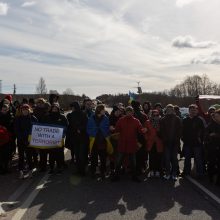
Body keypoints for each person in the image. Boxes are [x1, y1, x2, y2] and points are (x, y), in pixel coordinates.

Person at [111, 106, 147, 182]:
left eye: (130, 112)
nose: (129, 113)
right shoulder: (121, 120)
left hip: (132, 143)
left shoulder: (136, 121)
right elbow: (116, 130)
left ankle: (134, 176)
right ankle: (116, 175)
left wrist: (144, 130)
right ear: (125, 112)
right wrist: (113, 129)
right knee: (119, 161)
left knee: (133, 162)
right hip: (122, 143)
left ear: (132, 112)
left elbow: (140, 130)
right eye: (127, 111)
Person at [43, 103, 68, 174]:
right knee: (51, 154)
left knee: (59, 153)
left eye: (56, 108)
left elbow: (66, 126)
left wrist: (63, 133)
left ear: (58, 109)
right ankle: (51, 167)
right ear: (51, 109)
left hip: (59, 139)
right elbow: (43, 127)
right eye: (53, 108)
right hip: (50, 139)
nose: (54, 110)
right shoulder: (47, 117)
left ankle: (59, 167)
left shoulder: (62, 117)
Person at [14, 104, 38, 178]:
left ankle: (30, 171)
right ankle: (21, 171)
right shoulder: (18, 118)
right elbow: (16, 130)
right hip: (21, 141)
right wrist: (21, 139)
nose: (25, 111)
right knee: (21, 156)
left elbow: (37, 129)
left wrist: (30, 139)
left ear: (29, 110)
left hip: (30, 140)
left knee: (29, 156)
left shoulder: (33, 118)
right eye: (23, 110)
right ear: (21, 110)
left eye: (26, 110)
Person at [87, 104, 110, 179]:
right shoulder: (91, 117)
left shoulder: (106, 118)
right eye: (103, 110)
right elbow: (88, 128)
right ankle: (93, 171)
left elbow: (107, 128)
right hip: (94, 141)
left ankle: (103, 172)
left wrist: (103, 132)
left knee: (103, 158)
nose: (105, 111)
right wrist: (94, 131)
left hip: (103, 140)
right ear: (99, 110)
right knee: (93, 158)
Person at [182, 104, 205, 178]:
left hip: (197, 143)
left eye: (195, 110)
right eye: (192, 110)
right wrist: (183, 139)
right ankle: (186, 172)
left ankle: (200, 173)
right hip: (187, 143)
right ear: (189, 111)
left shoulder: (200, 120)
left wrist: (200, 139)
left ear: (197, 111)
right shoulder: (185, 120)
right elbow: (182, 131)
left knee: (198, 159)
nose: (193, 112)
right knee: (187, 159)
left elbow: (204, 131)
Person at [160, 104, 182, 180]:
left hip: (175, 142)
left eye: (171, 109)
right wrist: (165, 139)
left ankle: (174, 174)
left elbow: (179, 131)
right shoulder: (163, 119)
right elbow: (162, 131)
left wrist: (176, 139)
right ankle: (167, 173)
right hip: (166, 142)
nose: (169, 110)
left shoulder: (177, 119)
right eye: (168, 109)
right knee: (167, 158)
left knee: (174, 158)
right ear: (166, 110)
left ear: (173, 110)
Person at [66, 101, 88, 176]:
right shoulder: (70, 115)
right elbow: (70, 125)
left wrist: (80, 129)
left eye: (72, 107)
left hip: (82, 138)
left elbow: (86, 124)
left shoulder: (83, 114)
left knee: (81, 155)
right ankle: (79, 170)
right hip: (75, 138)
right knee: (77, 155)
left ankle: (82, 171)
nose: (71, 109)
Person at [144, 110, 163, 178]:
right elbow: (145, 132)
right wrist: (147, 138)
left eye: (157, 115)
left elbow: (164, 131)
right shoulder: (147, 122)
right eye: (154, 115)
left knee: (158, 157)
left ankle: (157, 170)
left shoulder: (161, 122)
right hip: (151, 142)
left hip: (159, 142)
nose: (155, 117)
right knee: (151, 157)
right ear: (151, 115)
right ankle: (152, 170)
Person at [205, 109, 220, 185]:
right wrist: (210, 135)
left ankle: (218, 181)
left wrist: (216, 135)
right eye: (216, 116)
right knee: (212, 163)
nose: (217, 118)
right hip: (212, 147)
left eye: (218, 116)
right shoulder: (211, 125)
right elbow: (206, 135)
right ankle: (210, 177)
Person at [0, 104, 14, 174]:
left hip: (8, 138)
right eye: (3, 109)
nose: (4, 111)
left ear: (8, 109)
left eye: (6, 109)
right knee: (1, 154)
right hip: (0, 137)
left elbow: (12, 126)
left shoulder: (10, 116)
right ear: (1, 109)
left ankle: (6, 167)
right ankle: (1, 169)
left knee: (7, 154)